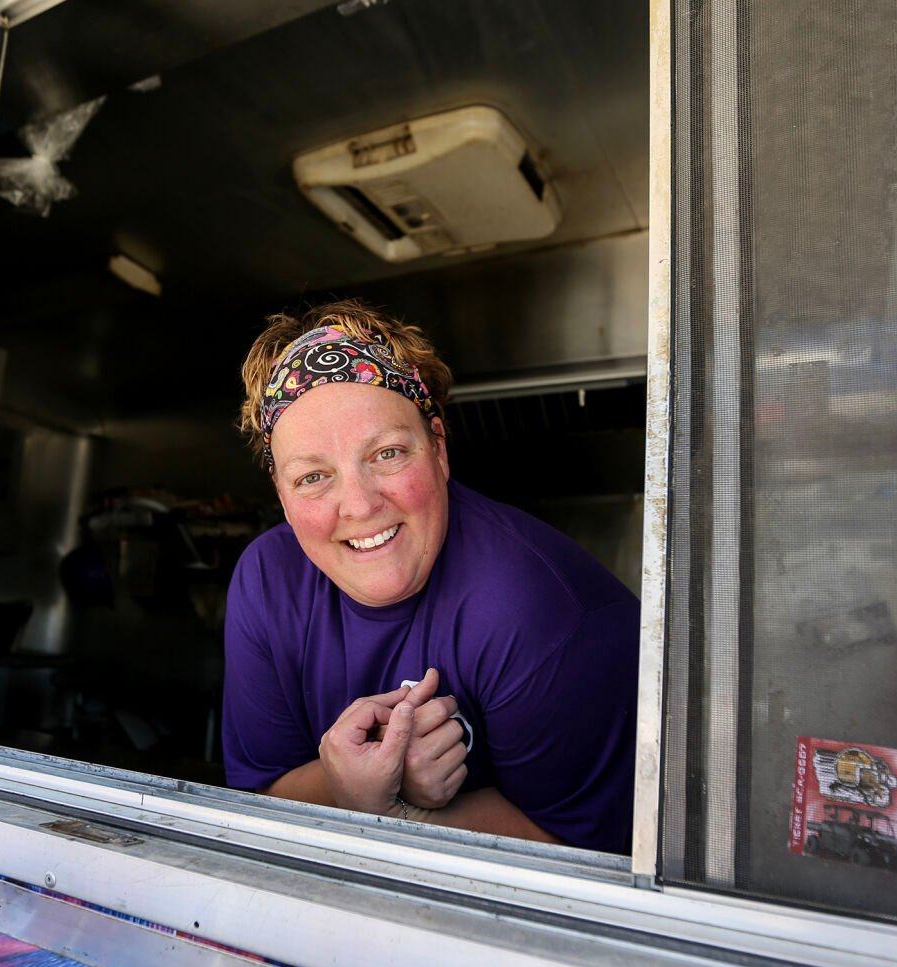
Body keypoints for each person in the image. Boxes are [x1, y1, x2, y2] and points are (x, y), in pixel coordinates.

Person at [220, 300, 639, 853]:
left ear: (438, 448)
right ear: (281, 492)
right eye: (313, 477)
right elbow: (257, 797)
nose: (359, 505)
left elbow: (588, 856)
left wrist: (402, 809)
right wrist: (350, 786)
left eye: (388, 453)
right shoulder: (267, 581)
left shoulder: (541, 613)